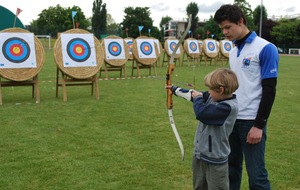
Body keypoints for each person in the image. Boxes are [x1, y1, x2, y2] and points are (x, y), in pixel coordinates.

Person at [214, 4, 279, 190]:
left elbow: (269, 91)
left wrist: (258, 125)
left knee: (257, 176)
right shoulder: (233, 51)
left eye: (228, 27)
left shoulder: (266, 48)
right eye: (222, 29)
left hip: (252, 121)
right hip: (231, 118)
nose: (225, 32)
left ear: (241, 21)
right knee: (231, 171)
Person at [167, 68, 239, 190]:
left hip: (216, 160)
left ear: (221, 90)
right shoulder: (214, 97)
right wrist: (173, 89)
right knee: (199, 187)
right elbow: (193, 94)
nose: (208, 92)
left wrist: (198, 98)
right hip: (200, 155)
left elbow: (202, 113)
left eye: (210, 89)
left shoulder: (228, 107)